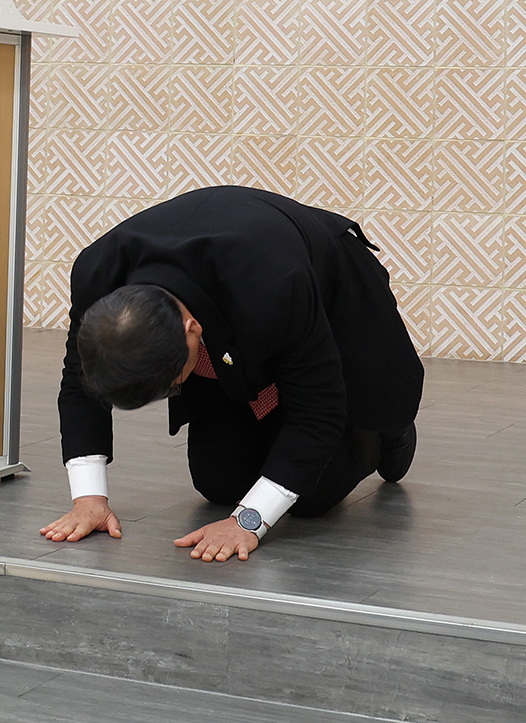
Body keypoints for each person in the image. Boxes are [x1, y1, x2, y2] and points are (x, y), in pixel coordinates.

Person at [38, 184, 423, 562]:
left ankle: (384, 434)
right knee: (218, 482)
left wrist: (248, 522)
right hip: (231, 317)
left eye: (174, 383)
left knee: (312, 494)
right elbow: (80, 381)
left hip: (326, 292)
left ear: (190, 330)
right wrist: (89, 500)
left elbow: (318, 410)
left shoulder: (274, 282)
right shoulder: (98, 277)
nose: (175, 389)